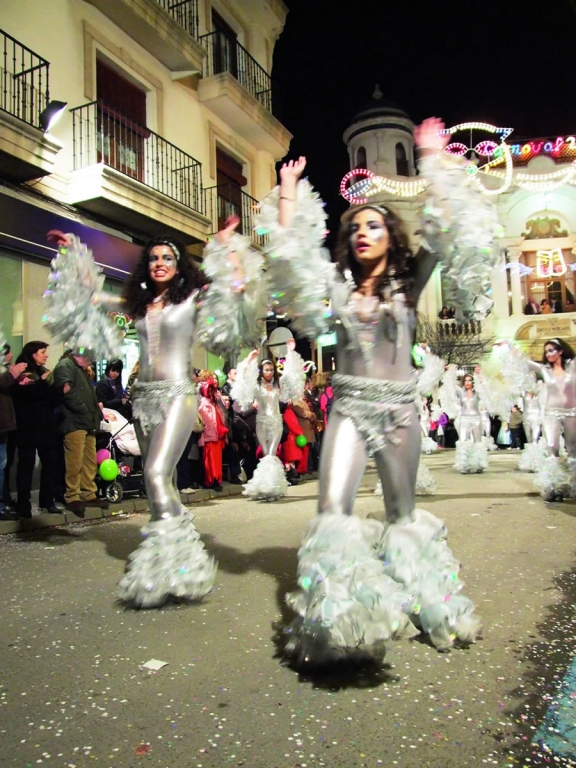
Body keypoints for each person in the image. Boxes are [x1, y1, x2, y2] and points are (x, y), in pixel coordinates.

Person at [258, 117, 500, 664]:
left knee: (401, 513)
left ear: (391, 234)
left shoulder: (411, 279)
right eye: (356, 227)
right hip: (347, 407)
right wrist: (290, 190)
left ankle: (428, 603)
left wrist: (434, 157)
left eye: (374, 225)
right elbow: (293, 254)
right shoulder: (337, 285)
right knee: (333, 507)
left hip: (397, 411)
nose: (363, 232)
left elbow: (444, 224)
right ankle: (344, 624)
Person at [44, 225, 262, 608]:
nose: (160, 263)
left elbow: (235, 291)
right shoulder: (140, 305)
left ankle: (168, 559)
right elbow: (95, 296)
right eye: (154, 258)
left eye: (168, 258)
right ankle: (180, 561)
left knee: (156, 474)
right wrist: (74, 254)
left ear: (180, 267)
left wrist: (228, 250)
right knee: (162, 481)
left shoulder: (194, 298)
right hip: (143, 399)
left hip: (178, 395)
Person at [231, 341, 304, 500]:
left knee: (271, 454)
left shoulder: (278, 385)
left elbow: (291, 373)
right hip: (261, 424)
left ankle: (272, 487)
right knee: (265, 455)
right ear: (261, 371)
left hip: (276, 423)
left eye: (271, 370)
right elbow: (243, 377)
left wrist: (290, 353)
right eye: (266, 370)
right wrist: (250, 358)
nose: (269, 372)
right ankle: (264, 487)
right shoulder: (257, 387)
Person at [52, 349, 107, 515]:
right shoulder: (66, 365)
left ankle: (88, 493)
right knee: (74, 461)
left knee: (89, 460)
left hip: (87, 422)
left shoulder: (80, 370)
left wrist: (95, 413)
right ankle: (72, 496)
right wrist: (83, 410)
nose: (92, 361)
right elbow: (66, 391)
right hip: (74, 422)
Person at [11, 341, 60, 517]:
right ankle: (23, 504)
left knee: (50, 462)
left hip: (45, 426)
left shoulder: (42, 371)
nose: (46, 355)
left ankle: (47, 500)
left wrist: (58, 390)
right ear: (33, 354)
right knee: (26, 464)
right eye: (42, 352)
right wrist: (42, 384)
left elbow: (49, 400)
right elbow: (24, 398)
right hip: (28, 427)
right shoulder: (23, 371)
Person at [0, 343, 30, 520]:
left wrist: (17, 381)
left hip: (5, 425)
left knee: (3, 464)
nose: (11, 356)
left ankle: (3, 501)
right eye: (8, 353)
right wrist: (13, 373)